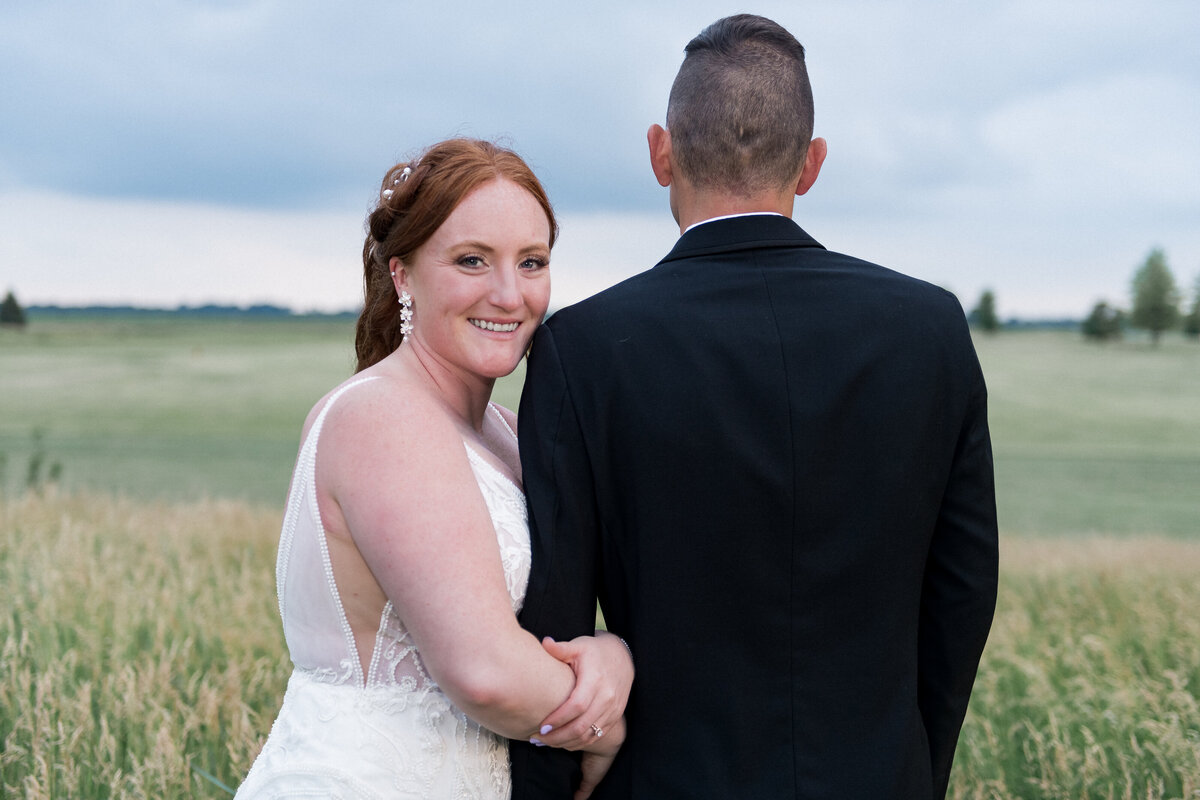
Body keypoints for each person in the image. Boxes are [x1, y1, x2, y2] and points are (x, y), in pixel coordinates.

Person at [511, 14, 998, 800]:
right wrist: (913, 771)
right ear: (811, 166)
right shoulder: (930, 328)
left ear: (659, 153)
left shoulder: (585, 347)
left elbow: (555, 628)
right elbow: (963, 590)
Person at [235, 138, 633, 799]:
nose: (509, 295)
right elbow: (484, 670)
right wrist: (609, 720)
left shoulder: (504, 432)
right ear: (402, 274)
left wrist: (610, 653)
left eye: (531, 262)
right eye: (472, 260)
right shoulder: (383, 417)